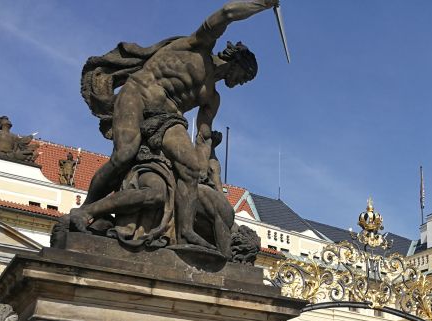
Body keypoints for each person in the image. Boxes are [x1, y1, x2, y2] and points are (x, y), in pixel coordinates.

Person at [72, 0, 278, 250]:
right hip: (139, 94)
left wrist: (204, 166)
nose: (243, 83)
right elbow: (227, 13)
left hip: (169, 118)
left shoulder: (212, 97)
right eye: (245, 77)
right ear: (237, 63)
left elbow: (203, 137)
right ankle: (86, 210)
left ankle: (186, 230)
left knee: (190, 167)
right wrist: (262, 4)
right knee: (125, 154)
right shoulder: (198, 46)